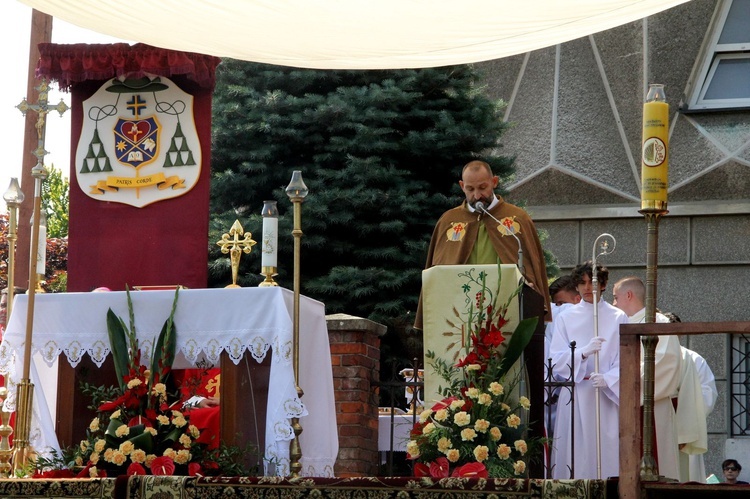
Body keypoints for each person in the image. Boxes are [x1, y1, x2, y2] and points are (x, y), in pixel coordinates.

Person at [414, 160, 551, 329]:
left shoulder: (517, 218)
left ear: (494, 182)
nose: (477, 195)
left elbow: (533, 267)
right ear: (462, 186)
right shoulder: (449, 221)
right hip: (459, 311)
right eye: (470, 189)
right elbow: (437, 272)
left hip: (505, 308)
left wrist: (529, 287)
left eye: (482, 187)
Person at [549, 261, 629, 479]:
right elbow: (555, 360)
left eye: (592, 283)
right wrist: (582, 353)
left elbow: (627, 359)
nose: (587, 288)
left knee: (604, 449)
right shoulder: (566, 317)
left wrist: (609, 378)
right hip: (575, 394)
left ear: (603, 285)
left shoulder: (618, 317)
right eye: (582, 283)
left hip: (604, 394)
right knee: (574, 452)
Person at [612, 276, 684, 480]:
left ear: (629, 295)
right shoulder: (617, 323)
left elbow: (663, 364)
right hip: (619, 405)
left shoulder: (657, 322)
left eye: (616, 298)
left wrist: (621, 383)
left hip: (652, 407)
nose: (614, 303)